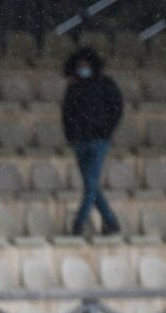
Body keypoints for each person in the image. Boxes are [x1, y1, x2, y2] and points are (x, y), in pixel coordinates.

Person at [62, 47, 123, 236]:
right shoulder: (73, 88)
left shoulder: (106, 84)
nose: (83, 68)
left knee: (90, 184)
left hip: (98, 140)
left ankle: (79, 223)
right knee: (92, 185)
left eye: (86, 64)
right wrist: (71, 136)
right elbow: (66, 114)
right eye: (80, 65)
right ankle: (111, 222)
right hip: (80, 141)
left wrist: (106, 130)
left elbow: (117, 108)